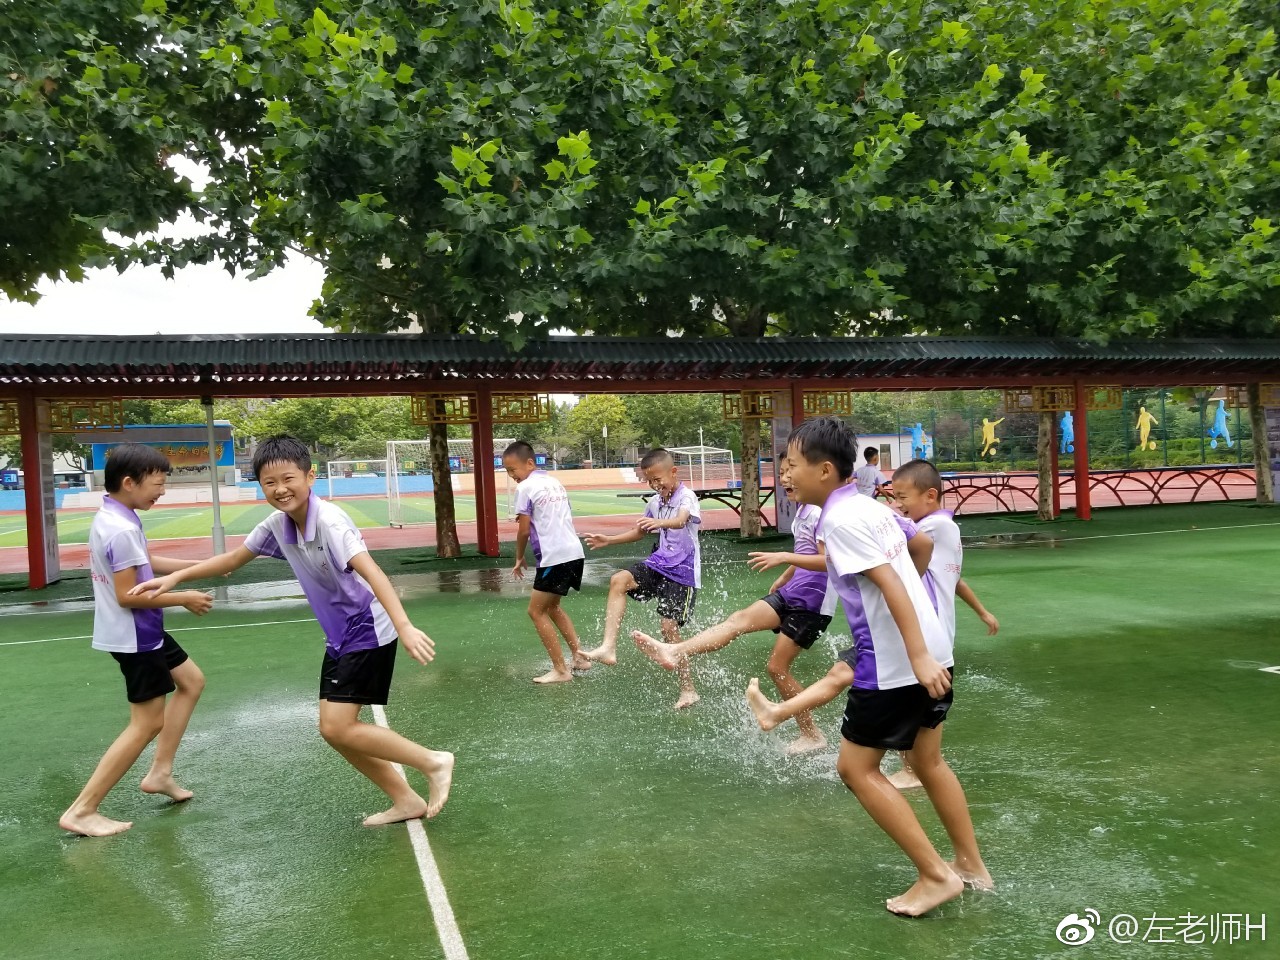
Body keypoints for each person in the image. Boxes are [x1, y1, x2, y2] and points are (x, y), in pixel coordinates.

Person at [131, 436, 454, 825]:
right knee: (335, 731)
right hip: (340, 634)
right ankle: (405, 800)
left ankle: (433, 762)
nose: (280, 489)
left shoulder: (331, 522)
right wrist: (175, 579)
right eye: (269, 483)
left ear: (310, 476)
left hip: (367, 626)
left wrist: (405, 626)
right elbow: (231, 561)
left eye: (288, 478)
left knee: (338, 726)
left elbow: (373, 572)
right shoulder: (276, 526)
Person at [744, 417, 990, 916]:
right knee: (928, 762)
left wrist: (913, 652)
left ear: (826, 470)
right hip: (934, 647)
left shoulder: (839, 520)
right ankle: (971, 865)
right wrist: (922, 636)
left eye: (790, 465)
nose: (783, 475)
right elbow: (918, 548)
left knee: (856, 768)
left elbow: (891, 582)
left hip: (899, 661)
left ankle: (936, 875)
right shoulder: (871, 508)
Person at [59, 443, 214, 837]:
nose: (161, 491)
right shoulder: (122, 528)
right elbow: (127, 595)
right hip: (134, 634)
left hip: (144, 630)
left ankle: (160, 773)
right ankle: (83, 809)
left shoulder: (114, 515)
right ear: (129, 482)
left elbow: (147, 563)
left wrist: (203, 568)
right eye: (157, 484)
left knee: (191, 682)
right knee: (145, 724)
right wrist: (185, 597)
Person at [632, 455, 836, 752]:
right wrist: (786, 576)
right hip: (792, 593)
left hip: (813, 604)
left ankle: (812, 734)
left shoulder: (822, 514)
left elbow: (829, 561)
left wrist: (783, 559)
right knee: (737, 620)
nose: (784, 479)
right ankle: (674, 650)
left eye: (791, 471)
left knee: (777, 669)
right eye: (781, 472)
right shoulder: (803, 511)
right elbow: (804, 550)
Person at [884, 459, 999, 791]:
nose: (898, 504)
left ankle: (913, 771)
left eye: (903, 497)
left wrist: (884, 513)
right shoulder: (939, 530)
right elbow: (955, 580)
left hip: (928, 637)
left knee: (916, 708)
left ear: (931, 496)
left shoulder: (937, 527)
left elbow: (895, 537)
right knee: (915, 707)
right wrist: (982, 612)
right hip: (931, 636)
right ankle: (912, 768)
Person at [582, 447, 702, 710]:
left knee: (668, 629)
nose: (655, 485)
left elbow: (682, 520)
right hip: (658, 564)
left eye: (658, 479)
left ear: (673, 472)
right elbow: (639, 532)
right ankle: (608, 647)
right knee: (618, 580)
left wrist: (661, 524)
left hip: (682, 572)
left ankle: (688, 689)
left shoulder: (686, 497)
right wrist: (609, 540)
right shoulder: (655, 502)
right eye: (650, 481)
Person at [503, 440, 590, 684]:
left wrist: (519, 556)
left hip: (555, 556)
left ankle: (561, 670)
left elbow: (523, 530)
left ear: (530, 463)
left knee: (536, 610)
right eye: (508, 472)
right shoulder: (554, 482)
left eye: (514, 470)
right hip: (574, 551)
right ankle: (580, 657)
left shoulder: (526, 488)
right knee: (552, 607)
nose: (512, 476)